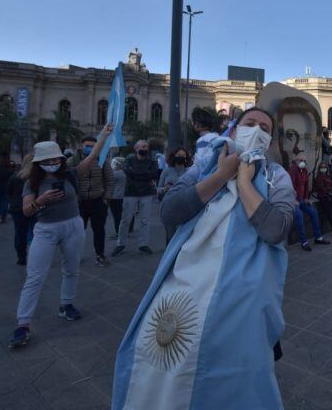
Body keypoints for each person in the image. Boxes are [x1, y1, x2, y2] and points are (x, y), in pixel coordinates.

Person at [113, 108, 296, 409]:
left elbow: (275, 229)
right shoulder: (203, 166)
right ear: (234, 131)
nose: (258, 131)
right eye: (250, 124)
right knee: (167, 364)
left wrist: (246, 183)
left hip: (243, 294)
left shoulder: (276, 176)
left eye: (265, 129)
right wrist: (223, 175)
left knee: (235, 374)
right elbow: (171, 211)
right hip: (184, 286)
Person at [9, 124, 113, 347]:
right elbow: (27, 210)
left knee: (72, 268)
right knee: (35, 276)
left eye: (55, 160)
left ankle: (66, 304)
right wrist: (41, 201)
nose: (52, 164)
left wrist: (103, 135)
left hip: (73, 225)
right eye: (47, 162)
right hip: (46, 229)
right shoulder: (31, 183)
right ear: (38, 164)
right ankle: (23, 323)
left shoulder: (72, 174)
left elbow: (93, 155)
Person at [69, 135, 115, 267]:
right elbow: (67, 179)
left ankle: (100, 255)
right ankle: (74, 256)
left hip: (98, 201)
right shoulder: (72, 161)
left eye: (93, 146)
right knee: (77, 232)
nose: (90, 148)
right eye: (87, 146)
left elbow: (110, 181)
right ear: (80, 146)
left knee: (99, 230)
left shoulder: (102, 160)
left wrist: (106, 200)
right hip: (79, 203)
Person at [112, 140, 158, 257]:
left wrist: (137, 173)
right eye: (143, 146)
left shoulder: (152, 161)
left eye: (147, 146)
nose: (145, 148)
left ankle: (143, 244)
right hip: (131, 193)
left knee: (145, 220)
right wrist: (144, 175)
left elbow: (153, 174)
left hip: (146, 193)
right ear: (136, 148)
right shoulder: (129, 160)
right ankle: (120, 244)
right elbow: (128, 172)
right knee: (125, 220)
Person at [289, 155, 328, 251]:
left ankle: (318, 237)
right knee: (299, 216)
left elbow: (306, 186)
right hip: (292, 201)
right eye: (301, 160)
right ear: (296, 161)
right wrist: (293, 200)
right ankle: (304, 242)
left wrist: (306, 198)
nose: (302, 162)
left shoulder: (305, 171)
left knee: (314, 212)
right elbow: (290, 185)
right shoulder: (293, 170)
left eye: (304, 161)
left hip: (302, 200)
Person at [158, 146, 191, 243]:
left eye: (183, 155)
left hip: (185, 205)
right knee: (170, 235)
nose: (181, 157)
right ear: (173, 156)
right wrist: (165, 188)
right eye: (179, 155)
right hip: (169, 205)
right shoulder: (167, 171)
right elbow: (158, 190)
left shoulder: (190, 171)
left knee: (183, 234)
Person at [7, 154, 34, 265]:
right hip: (33, 206)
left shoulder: (16, 176)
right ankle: (35, 255)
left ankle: (21, 257)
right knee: (35, 232)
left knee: (19, 232)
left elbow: (9, 190)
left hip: (16, 207)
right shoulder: (36, 177)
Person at [312, 161, 332, 236]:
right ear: (319, 168)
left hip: (330, 197)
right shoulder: (319, 177)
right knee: (330, 214)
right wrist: (329, 191)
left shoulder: (328, 176)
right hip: (324, 197)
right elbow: (322, 188)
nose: (323, 168)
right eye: (322, 167)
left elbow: (331, 185)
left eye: (324, 167)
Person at [107, 157, 126, 240]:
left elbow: (107, 181)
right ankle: (124, 231)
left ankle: (118, 233)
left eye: (114, 163)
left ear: (118, 164)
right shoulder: (126, 173)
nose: (113, 165)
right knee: (122, 215)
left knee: (116, 216)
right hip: (124, 196)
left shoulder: (116, 173)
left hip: (115, 197)